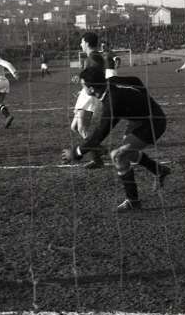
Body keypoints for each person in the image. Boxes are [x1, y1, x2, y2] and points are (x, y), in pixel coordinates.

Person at [62, 66, 171, 212]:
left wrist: (76, 153)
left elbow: (99, 135)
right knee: (129, 153)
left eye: (83, 86)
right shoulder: (110, 81)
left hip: (154, 122)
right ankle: (159, 170)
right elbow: (135, 80)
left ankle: (133, 201)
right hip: (140, 120)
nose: (82, 89)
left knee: (118, 156)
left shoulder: (112, 102)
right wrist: (142, 100)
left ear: (92, 89)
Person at [70, 32, 105, 169]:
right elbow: (91, 74)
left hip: (89, 95)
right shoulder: (92, 57)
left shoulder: (94, 57)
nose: (80, 44)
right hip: (85, 94)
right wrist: (82, 83)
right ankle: (98, 148)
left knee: (82, 128)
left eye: (81, 42)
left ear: (87, 43)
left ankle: (97, 158)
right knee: (74, 127)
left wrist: (86, 83)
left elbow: (96, 74)